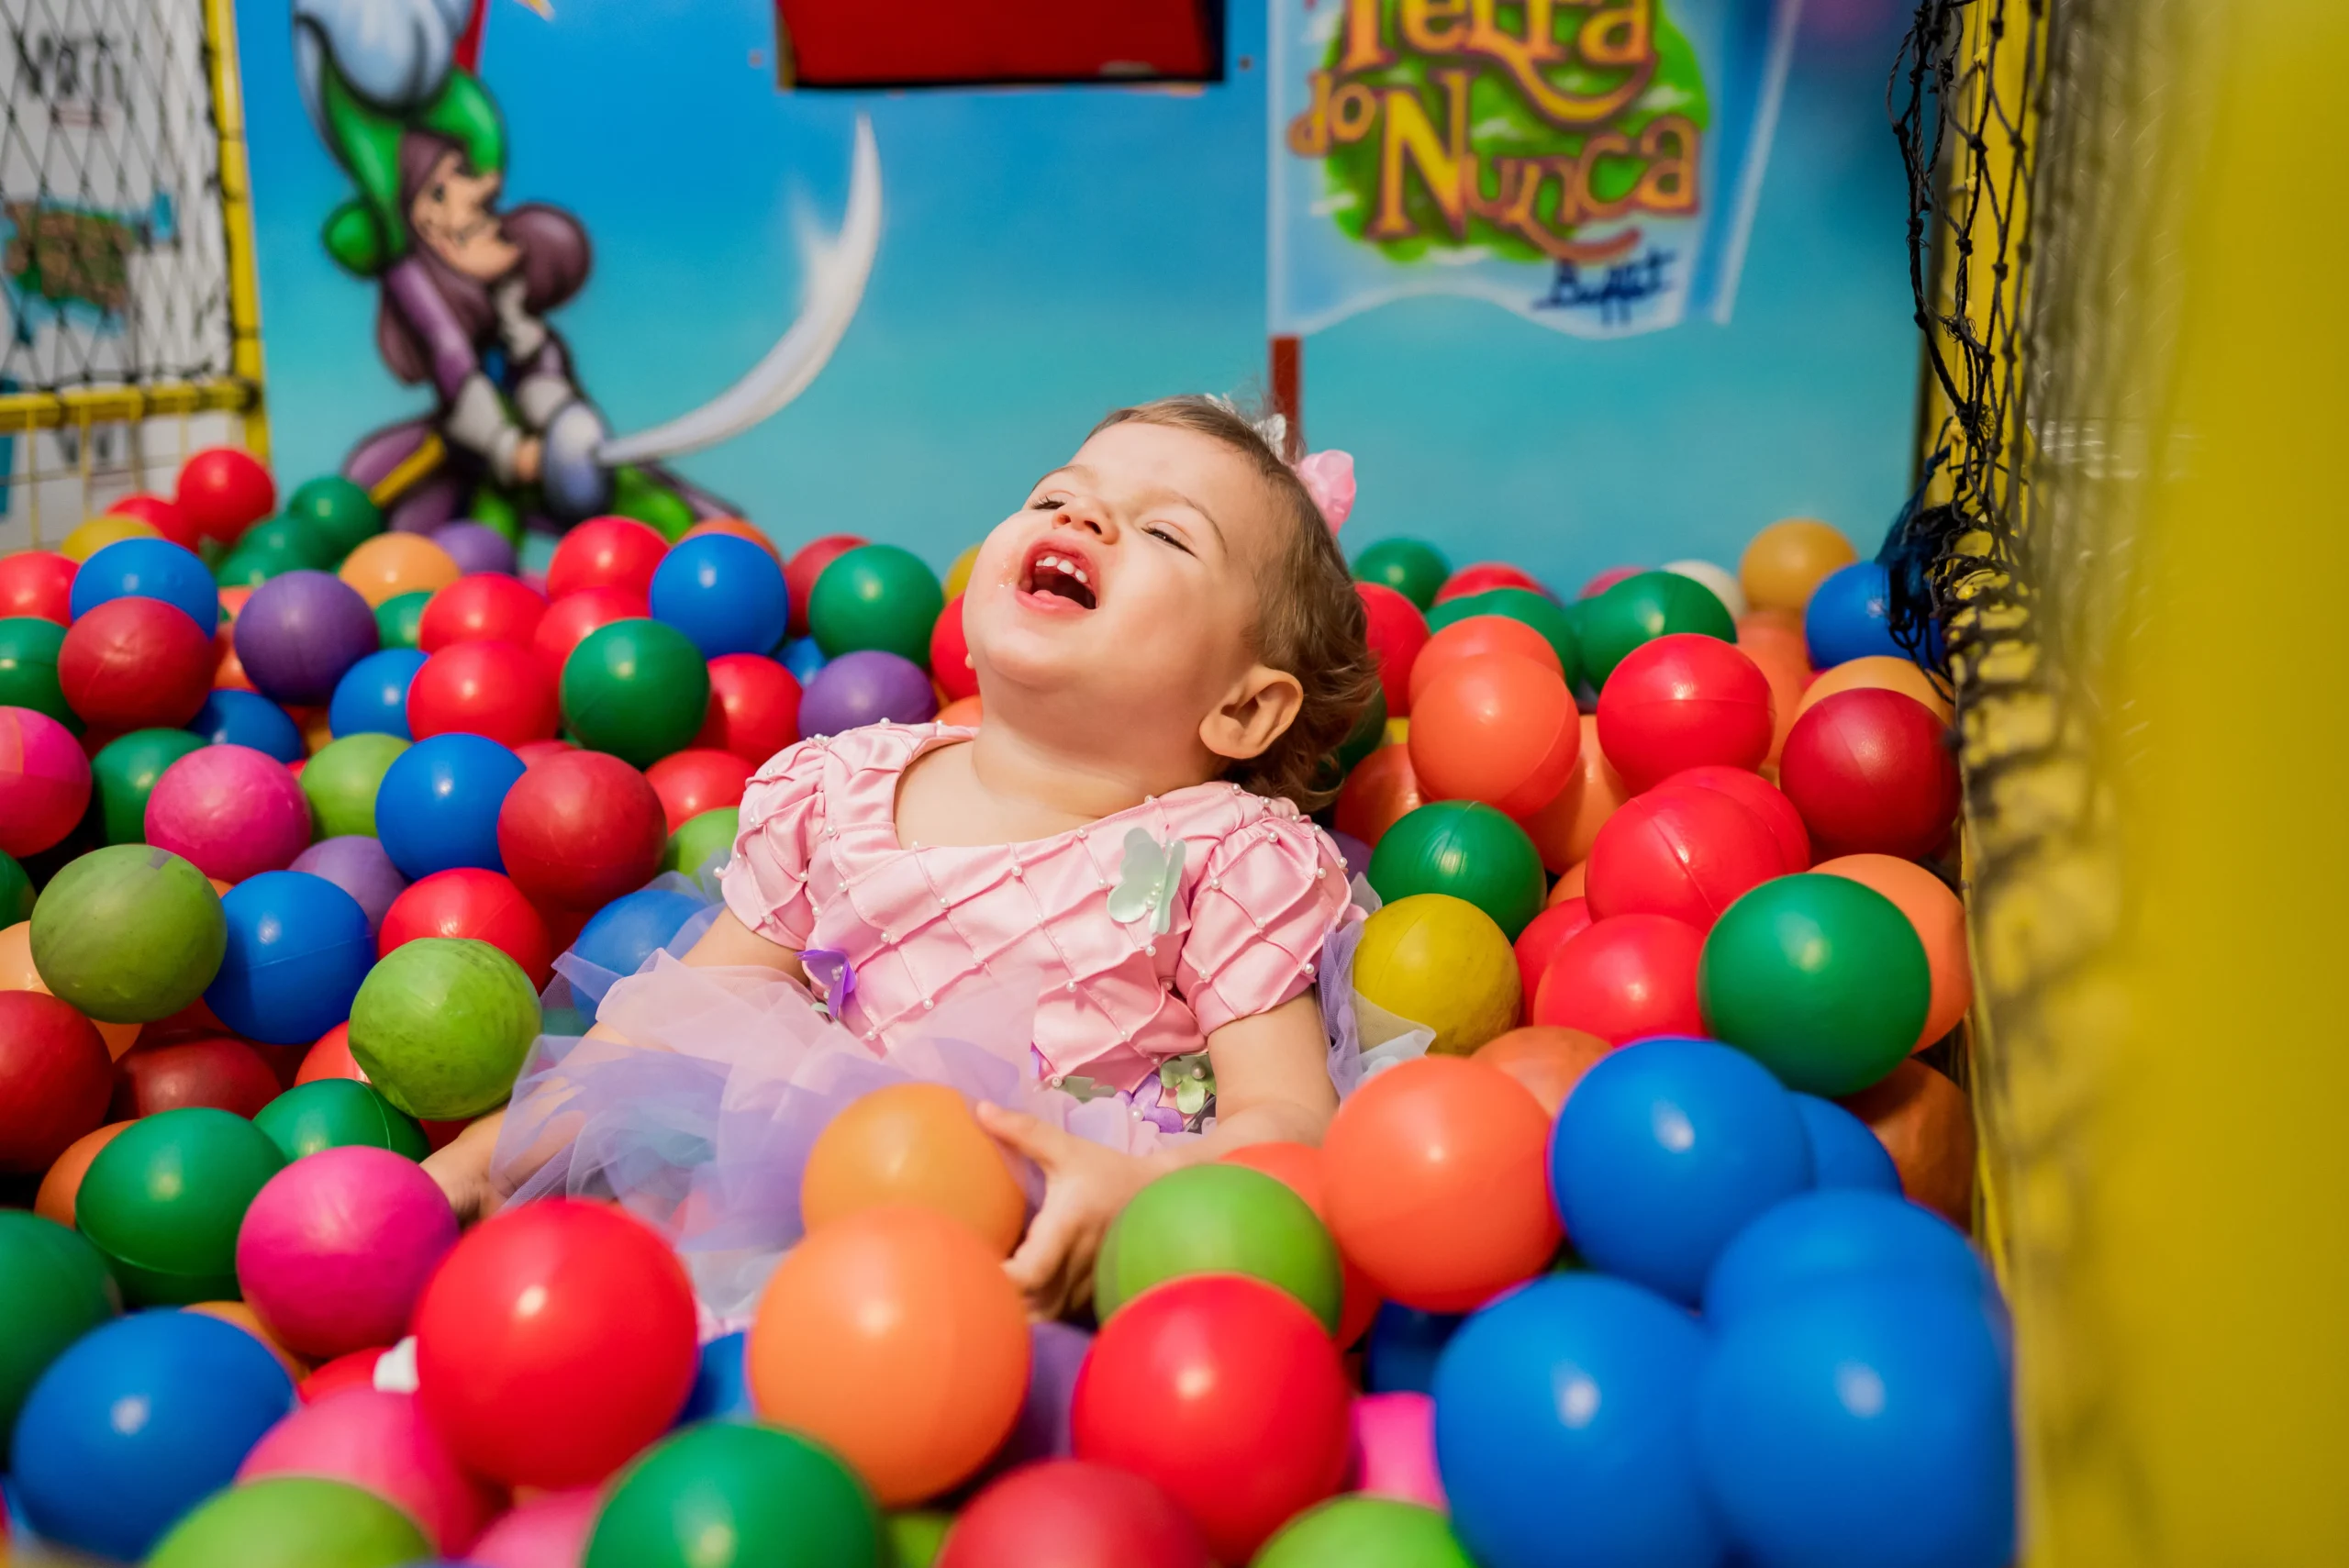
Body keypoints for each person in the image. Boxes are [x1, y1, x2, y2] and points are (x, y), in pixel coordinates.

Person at [425, 395, 1381, 1320]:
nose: (1082, 516)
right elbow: (668, 1029)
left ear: (1244, 708)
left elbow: (1291, 1121)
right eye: (1055, 495)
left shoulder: (1225, 860)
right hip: (821, 1222)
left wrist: (1141, 1187)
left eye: (1167, 533)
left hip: (1062, 1260)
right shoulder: (838, 793)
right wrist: (487, 1157)